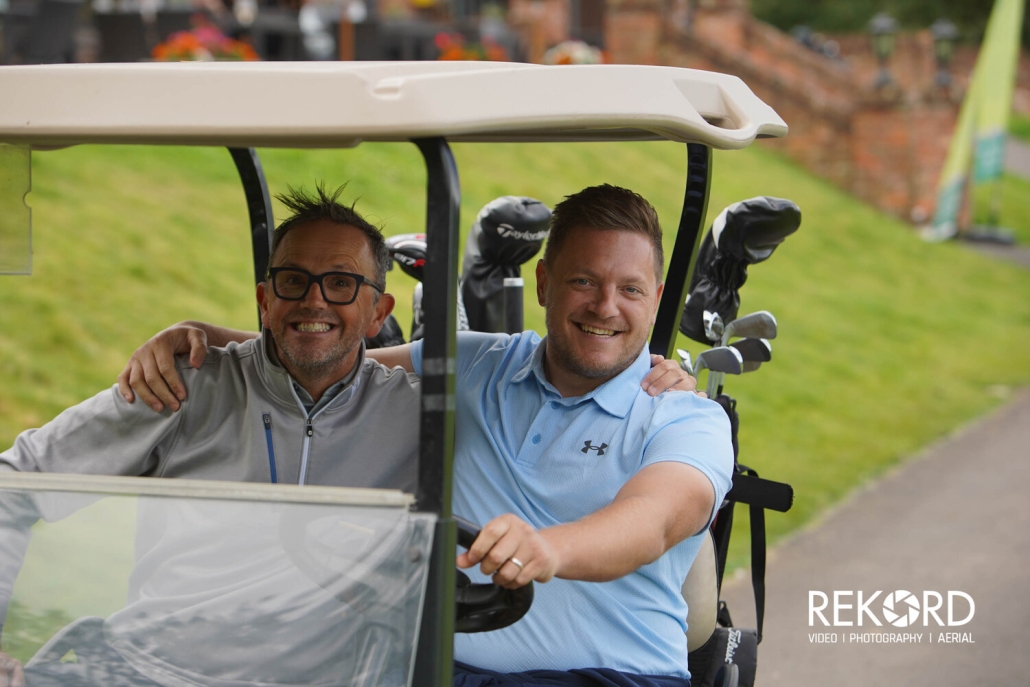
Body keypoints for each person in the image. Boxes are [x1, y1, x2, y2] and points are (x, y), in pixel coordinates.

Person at [121, 184, 733, 686]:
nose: (605, 306)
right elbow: (331, 360)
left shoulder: (683, 417)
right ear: (544, 283)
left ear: (654, 299)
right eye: (583, 282)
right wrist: (195, 335)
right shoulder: (477, 364)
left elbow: (652, 520)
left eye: (629, 290)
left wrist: (549, 550)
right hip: (442, 669)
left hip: (608, 677)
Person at [0, 184, 426, 686]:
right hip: (143, 673)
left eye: (340, 284)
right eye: (294, 280)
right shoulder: (185, 384)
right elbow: (16, 482)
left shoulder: (419, 413)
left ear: (379, 312)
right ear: (265, 300)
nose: (314, 300)